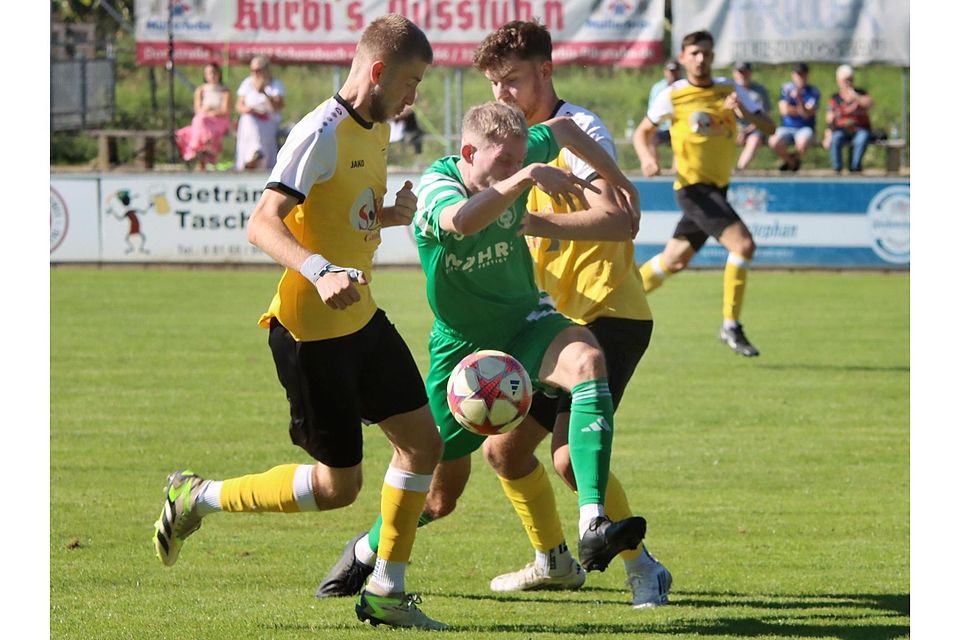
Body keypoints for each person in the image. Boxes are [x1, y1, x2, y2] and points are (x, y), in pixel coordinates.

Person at [151, 15, 448, 631]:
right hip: (311, 334)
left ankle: (388, 591)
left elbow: (343, 215)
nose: (414, 96)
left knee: (424, 444)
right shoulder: (320, 132)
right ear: (377, 72)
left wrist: (388, 216)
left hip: (362, 319)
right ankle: (197, 496)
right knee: (340, 488)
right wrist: (318, 269)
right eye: (411, 82)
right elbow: (263, 222)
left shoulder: (378, 128)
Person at [316, 101, 650, 606]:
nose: (514, 168)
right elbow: (460, 222)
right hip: (463, 350)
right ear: (469, 152)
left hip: (526, 321)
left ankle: (593, 521)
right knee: (438, 496)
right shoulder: (437, 184)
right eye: (504, 164)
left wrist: (619, 179)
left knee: (589, 362)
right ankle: (367, 549)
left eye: (519, 160)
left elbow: (562, 129)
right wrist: (528, 177)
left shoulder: (516, 152)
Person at [473, 19, 671, 608]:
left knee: (565, 457)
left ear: (545, 71)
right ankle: (553, 561)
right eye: (492, 84)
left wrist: (529, 220)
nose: (501, 96)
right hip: (551, 320)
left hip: (608, 309)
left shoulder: (578, 130)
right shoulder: (509, 142)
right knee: (503, 452)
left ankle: (644, 570)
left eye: (511, 81)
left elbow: (616, 217)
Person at [634, 30, 775, 357]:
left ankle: (618, 296)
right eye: (694, 53)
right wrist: (647, 157)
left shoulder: (730, 89)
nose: (701, 59)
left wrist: (747, 114)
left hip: (717, 188)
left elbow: (769, 127)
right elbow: (644, 132)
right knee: (743, 245)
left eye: (706, 53)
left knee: (674, 260)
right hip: (693, 188)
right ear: (683, 58)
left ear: (713, 57)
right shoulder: (674, 95)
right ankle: (731, 325)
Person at [175, 62, 231, 171]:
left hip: (218, 121)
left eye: (214, 73)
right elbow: (198, 109)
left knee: (200, 120)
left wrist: (210, 112)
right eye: (209, 73)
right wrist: (207, 112)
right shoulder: (200, 90)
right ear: (205, 75)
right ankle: (205, 152)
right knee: (200, 120)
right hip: (203, 123)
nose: (212, 75)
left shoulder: (225, 91)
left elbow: (225, 110)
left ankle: (195, 148)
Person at [235, 55, 285, 171]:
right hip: (250, 118)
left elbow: (278, 107)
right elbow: (239, 105)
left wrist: (264, 93)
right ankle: (253, 156)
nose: (255, 73)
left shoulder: (275, 84)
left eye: (258, 70)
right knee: (249, 121)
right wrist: (249, 109)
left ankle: (257, 156)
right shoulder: (247, 83)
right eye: (253, 70)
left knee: (256, 127)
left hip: (268, 119)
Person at [768, 62, 820, 172]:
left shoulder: (813, 91)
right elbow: (784, 110)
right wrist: (801, 110)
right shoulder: (786, 89)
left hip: (805, 128)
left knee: (802, 143)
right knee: (773, 141)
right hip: (787, 128)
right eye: (798, 74)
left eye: (802, 74)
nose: (800, 77)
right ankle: (792, 162)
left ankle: (792, 162)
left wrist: (799, 100)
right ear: (793, 75)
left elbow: (806, 114)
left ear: (807, 75)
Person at [824, 64, 873, 173]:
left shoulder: (861, 93)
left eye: (850, 80)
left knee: (862, 138)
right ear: (838, 81)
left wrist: (856, 96)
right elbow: (829, 120)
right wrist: (828, 135)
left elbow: (870, 103)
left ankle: (855, 168)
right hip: (842, 130)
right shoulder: (835, 98)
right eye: (845, 80)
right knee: (835, 139)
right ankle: (837, 169)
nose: (847, 83)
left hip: (860, 129)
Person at [637, 58, 682, 170]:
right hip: (662, 127)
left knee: (681, 139)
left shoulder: (685, 86)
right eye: (670, 71)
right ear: (665, 71)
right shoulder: (658, 88)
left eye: (675, 71)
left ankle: (676, 172)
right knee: (651, 137)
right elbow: (652, 113)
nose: (672, 74)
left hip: (679, 126)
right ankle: (653, 168)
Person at [731, 61, 771, 171]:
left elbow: (764, 117)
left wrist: (745, 131)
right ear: (734, 73)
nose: (743, 75)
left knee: (755, 139)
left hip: (754, 129)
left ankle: (739, 170)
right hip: (733, 128)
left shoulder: (759, 91)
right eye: (740, 72)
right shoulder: (729, 90)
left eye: (745, 72)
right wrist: (738, 130)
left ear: (750, 73)